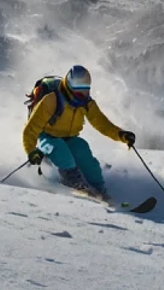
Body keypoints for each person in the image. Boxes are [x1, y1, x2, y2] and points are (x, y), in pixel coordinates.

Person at [22, 65, 136, 201]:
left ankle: (99, 189)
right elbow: (31, 128)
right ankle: (72, 181)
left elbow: (102, 124)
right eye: (79, 92)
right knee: (61, 150)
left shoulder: (86, 103)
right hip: (48, 137)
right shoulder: (52, 100)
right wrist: (31, 151)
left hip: (69, 137)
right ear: (69, 87)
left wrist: (121, 135)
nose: (82, 95)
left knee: (83, 151)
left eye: (86, 91)